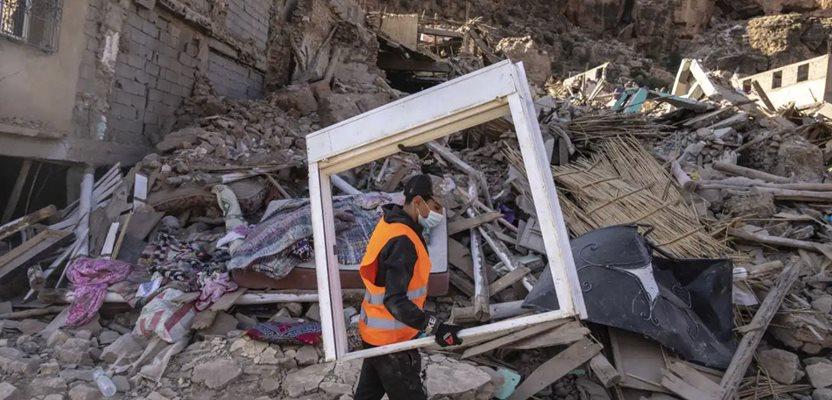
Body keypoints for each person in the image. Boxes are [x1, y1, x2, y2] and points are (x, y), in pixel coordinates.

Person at [354, 174, 464, 400]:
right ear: (417, 202)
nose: (439, 214)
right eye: (436, 206)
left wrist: (426, 158)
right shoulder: (403, 241)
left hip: (376, 332)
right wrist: (435, 327)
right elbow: (395, 301)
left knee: (368, 394)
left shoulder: (391, 222)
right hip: (391, 341)